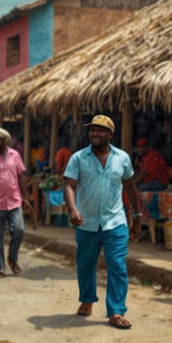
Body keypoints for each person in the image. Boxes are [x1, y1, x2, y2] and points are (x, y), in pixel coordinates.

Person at [63, 114, 141, 330]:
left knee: (117, 266)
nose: (95, 134)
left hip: (115, 222)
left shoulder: (122, 158)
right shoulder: (78, 158)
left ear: (110, 134)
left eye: (100, 130)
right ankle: (87, 299)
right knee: (86, 264)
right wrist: (72, 209)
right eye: (92, 130)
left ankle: (116, 311)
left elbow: (130, 187)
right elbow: (69, 185)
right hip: (86, 222)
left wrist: (137, 216)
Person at [0, 128, 33, 278]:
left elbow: (21, 176)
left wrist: (26, 197)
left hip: (14, 201)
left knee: (19, 230)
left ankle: (12, 257)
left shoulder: (15, 155)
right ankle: (0, 266)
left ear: (5, 140)